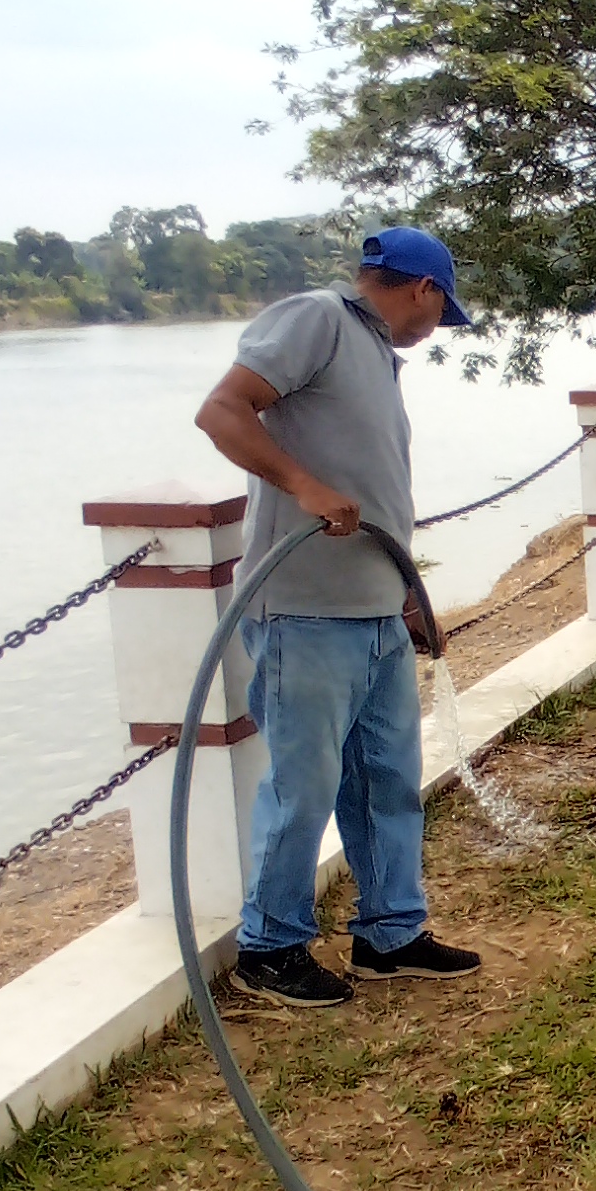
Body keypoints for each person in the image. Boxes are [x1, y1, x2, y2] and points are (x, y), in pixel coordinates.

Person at [195, 228, 484, 1008]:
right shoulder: (317, 318)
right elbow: (221, 411)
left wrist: (408, 599)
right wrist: (304, 486)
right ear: (423, 288)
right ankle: (269, 948)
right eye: (440, 310)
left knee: (388, 781)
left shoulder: (376, 356)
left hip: (375, 612)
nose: (435, 327)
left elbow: (378, 490)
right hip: (304, 611)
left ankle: (390, 935)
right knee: (304, 788)